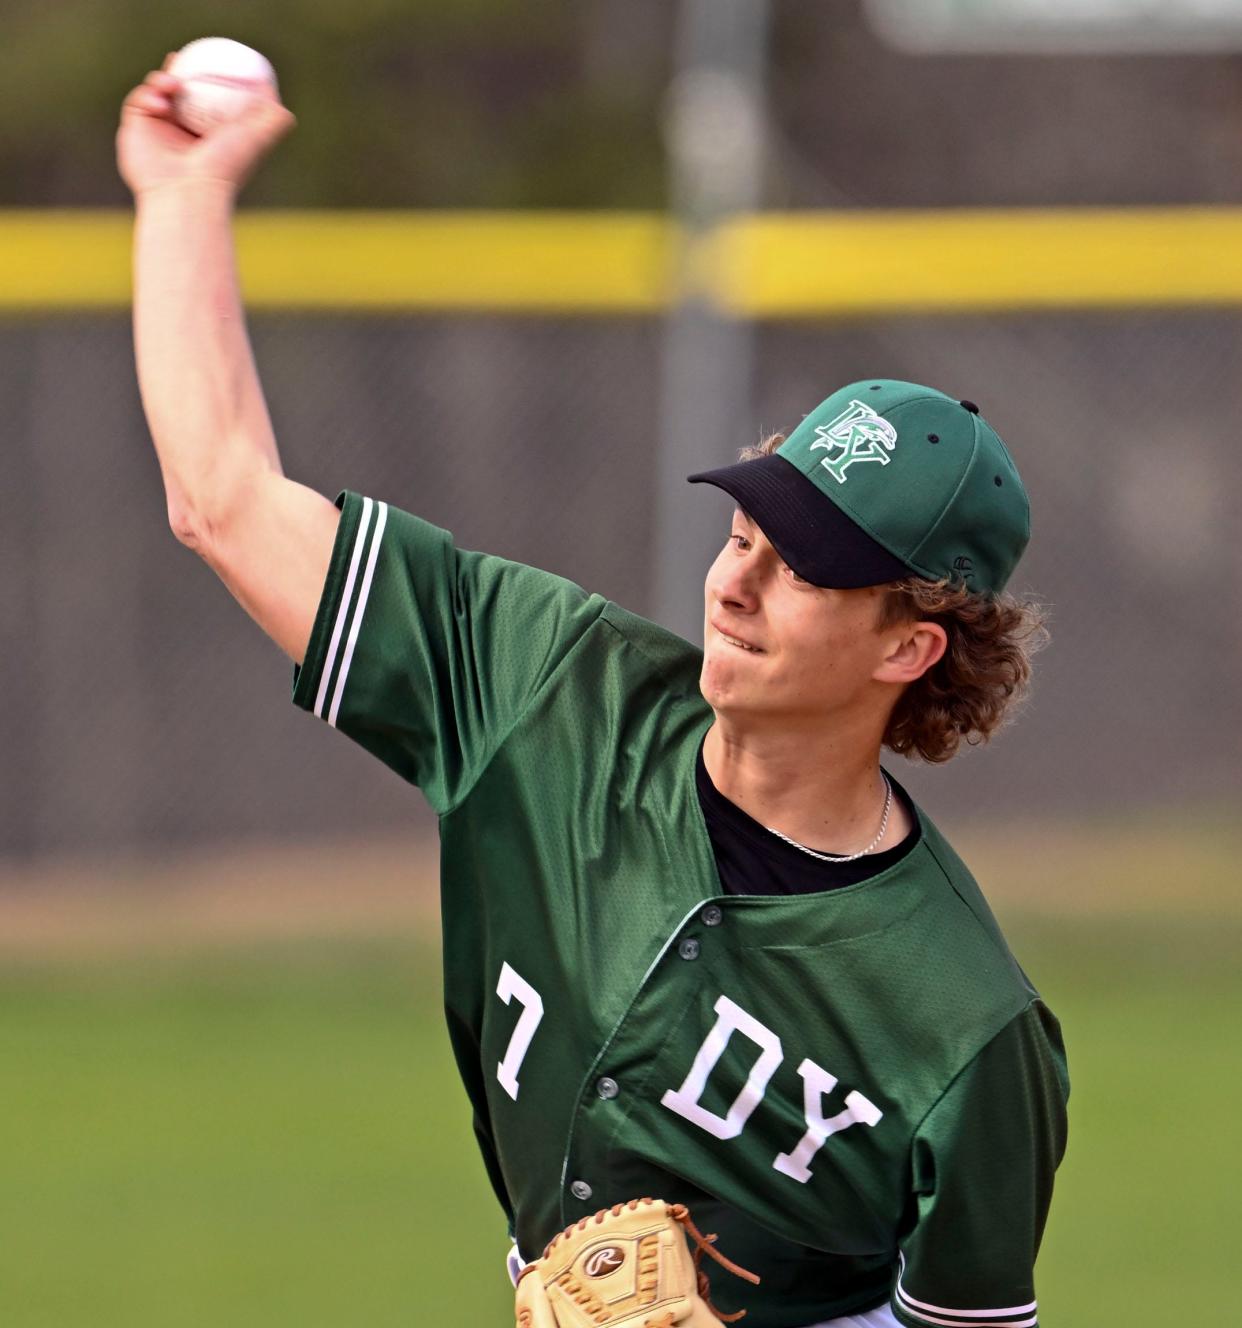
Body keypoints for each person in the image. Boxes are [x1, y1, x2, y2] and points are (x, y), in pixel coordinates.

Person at [118, 66, 1068, 1328]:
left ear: (911, 647)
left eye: (807, 569)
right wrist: (183, 195)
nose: (738, 581)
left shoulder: (966, 1028)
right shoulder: (550, 687)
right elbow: (223, 498)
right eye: (748, 529)